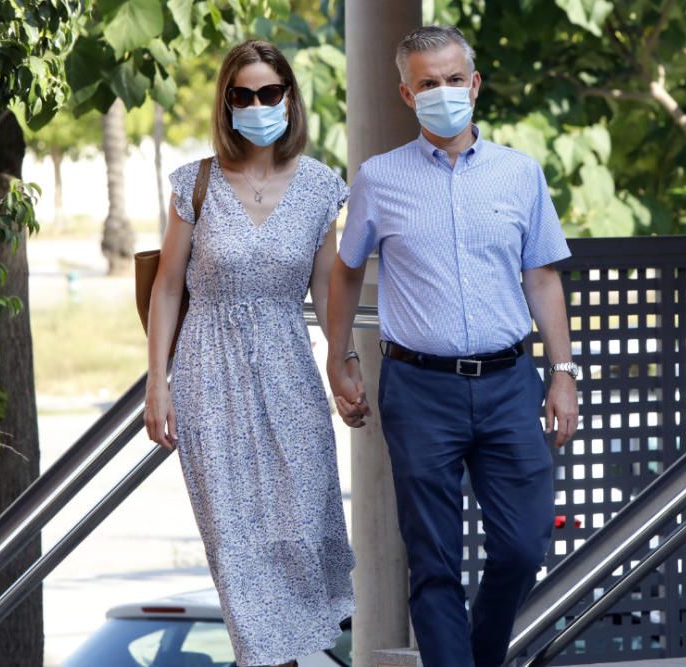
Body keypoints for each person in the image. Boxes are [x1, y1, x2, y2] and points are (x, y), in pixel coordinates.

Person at [327, 25, 579, 667]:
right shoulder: (378, 179)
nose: (443, 92)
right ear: (407, 95)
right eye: (427, 83)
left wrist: (563, 371)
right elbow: (346, 270)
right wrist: (341, 357)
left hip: (508, 383)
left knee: (523, 545)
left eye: (452, 80)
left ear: (475, 85)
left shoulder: (520, 174)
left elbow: (543, 275)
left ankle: (481, 657)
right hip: (419, 389)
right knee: (434, 562)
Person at [144, 40, 356, 667]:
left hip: (289, 369)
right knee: (238, 548)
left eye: (270, 93)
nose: (258, 105)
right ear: (227, 102)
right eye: (244, 95)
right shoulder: (197, 183)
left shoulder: (320, 187)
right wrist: (160, 381)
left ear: (289, 98)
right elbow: (167, 284)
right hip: (209, 374)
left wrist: (341, 365)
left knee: (300, 532)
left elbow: (327, 290)